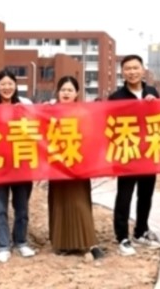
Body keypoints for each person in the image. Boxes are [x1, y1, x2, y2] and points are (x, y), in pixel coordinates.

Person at [109, 54, 160, 256]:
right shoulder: (116, 98)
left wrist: (155, 104)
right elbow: (110, 126)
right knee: (124, 196)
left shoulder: (152, 92)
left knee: (145, 195)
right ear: (122, 72)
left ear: (142, 69)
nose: (132, 72)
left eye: (135, 68)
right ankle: (122, 237)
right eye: (128, 69)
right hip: (127, 152)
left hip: (149, 152)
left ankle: (141, 231)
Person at [48, 76, 104, 260]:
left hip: (78, 164)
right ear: (58, 92)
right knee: (60, 202)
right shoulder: (49, 111)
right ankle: (63, 243)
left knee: (79, 202)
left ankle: (89, 243)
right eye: (63, 90)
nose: (66, 93)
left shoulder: (83, 113)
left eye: (70, 90)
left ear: (77, 93)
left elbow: (90, 136)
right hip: (57, 165)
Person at [0, 69, 37, 263]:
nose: (6, 87)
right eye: (2, 84)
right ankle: (2, 246)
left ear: (15, 85)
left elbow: (40, 124)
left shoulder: (25, 105)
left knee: (22, 207)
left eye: (10, 83)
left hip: (22, 163)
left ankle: (21, 241)